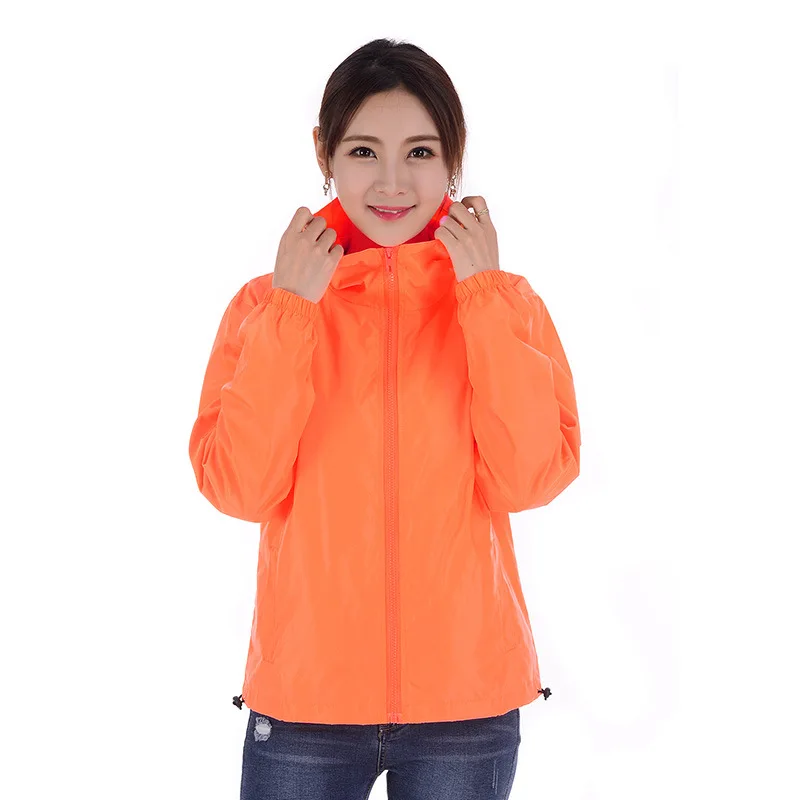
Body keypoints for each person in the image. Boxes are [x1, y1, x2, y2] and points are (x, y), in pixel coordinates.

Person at [188, 37, 581, 800]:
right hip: (304, 704)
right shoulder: (267, 306)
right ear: (324, 153)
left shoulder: (504, 303)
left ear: (455, 157)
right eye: (364, 150)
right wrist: (293, 313)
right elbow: (239, 488)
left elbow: (530, 480)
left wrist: (483, 299)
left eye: (421, 152)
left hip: (467, 703)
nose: (393, 182)